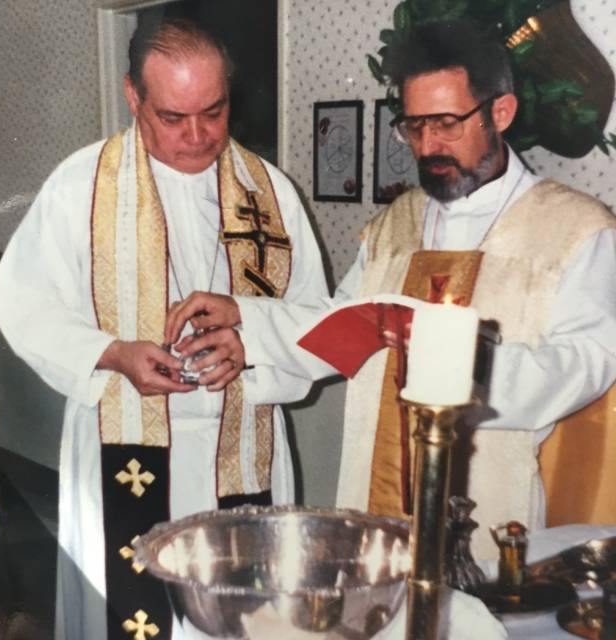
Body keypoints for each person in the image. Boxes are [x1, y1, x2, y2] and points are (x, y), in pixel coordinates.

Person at [168, 19, 616, 561]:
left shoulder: (574, 229)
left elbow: (588, 362)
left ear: (501, 112)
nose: (428, 145)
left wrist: (458, 365)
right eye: (414, 125)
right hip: (374, 490)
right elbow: (342, 324)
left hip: (489, 500)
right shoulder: (395, 224)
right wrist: (248, 326)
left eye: (447, 123)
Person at [0, 16, 327, 640]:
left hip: (243, 453)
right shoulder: (81, 187)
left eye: (213, 111)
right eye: (172, 117)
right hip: (122, 443)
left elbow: (319, 323)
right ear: (132, 96)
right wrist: (112, 353)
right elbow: (21, 301)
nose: (197, 135)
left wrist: (253, 344)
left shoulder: (270, 192)